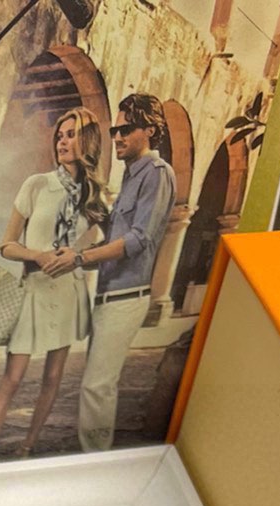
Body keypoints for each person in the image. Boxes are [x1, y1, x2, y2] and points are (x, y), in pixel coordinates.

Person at [0, 109, 108, 463]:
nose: (62, 142)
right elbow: (7, 245)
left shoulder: (95, 197)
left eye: (71, 135)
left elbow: (107, 248)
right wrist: (37, 255)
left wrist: (79, 257)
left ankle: (27, 448)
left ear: (88, 141)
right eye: (60, 136)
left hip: (68, 292)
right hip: (33, 288)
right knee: (12, 377)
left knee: (53, 377)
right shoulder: (36, 184)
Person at [74, 95, 177, 454]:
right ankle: (94, 457)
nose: (117, 137)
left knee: (96, 387)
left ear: (149, 130)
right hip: (108, 294)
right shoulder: (131, 176)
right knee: (98, 385)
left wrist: (81, 257)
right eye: (114, 130)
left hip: (126, 296)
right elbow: (117, 235)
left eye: (126, 129)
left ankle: (94, 462)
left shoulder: (157, 173)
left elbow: (138, 239)